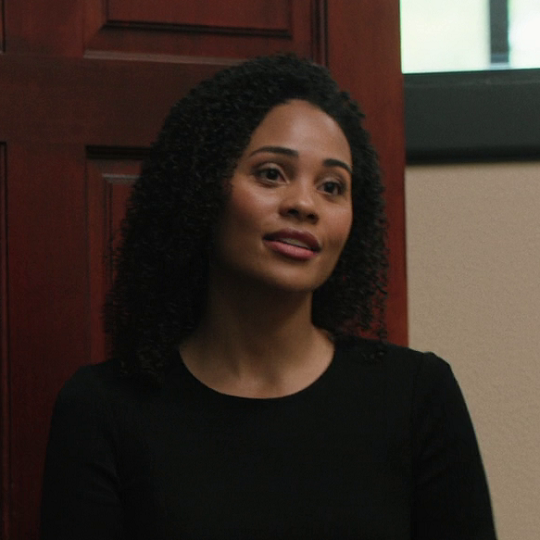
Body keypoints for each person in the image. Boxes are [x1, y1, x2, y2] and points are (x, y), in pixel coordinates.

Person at [40, 54, 498, 539]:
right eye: (271, 173)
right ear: (201, 189)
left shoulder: (417, 397)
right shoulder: (103, 409)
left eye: (332, 186)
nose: (303, 204)